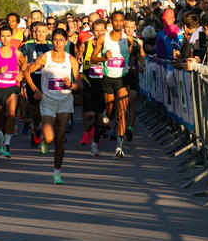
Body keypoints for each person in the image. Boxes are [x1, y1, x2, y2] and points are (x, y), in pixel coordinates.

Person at [23, 28, 82, 184]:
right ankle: (43, 138)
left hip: (65, 100)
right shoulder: (45, 58)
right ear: (52, 40)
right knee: (50, 137)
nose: (58, 43)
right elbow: (27, 72)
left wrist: (72, 85)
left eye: (61, 40)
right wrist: (36, 90)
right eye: (55, 40)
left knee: (60, 138)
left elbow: (80, 85)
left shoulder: (72, 60)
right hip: (48, 100)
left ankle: (57, 172)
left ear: (65, 42)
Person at [90, 10, 132, 159]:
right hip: (108, 78)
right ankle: (105, 116)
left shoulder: (128, 39)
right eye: (116, 20)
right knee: (111, 112)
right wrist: (103, 58)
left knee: (121, 112)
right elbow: (92, 59)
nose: (119, 23)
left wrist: (134, 65)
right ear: (111, 22)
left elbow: (132, 55)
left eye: (121, 20)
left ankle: (119, 148)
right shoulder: (103, 38)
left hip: (123, 78)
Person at [0, 24, 27, 159]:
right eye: (3, 36)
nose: (5, 39)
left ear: (11, 37)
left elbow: (24, 65)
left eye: (8, 36)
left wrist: (21, 74)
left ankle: (7, 144)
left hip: (12, 88)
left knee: (12, 114)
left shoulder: (17, 53)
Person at [19, 21, 52, 147]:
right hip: (32, 80)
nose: (41, 34)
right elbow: (20, 62)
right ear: (34, 32)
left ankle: (43, 133)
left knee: (46, 109)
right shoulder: (27, 45)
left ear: (47, 32)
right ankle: (36, 127)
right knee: (35, 110)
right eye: (38, 31)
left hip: (47, 81)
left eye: (43, 32)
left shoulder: (51, 45)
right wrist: (22, 77)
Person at [80, 18, 106, 156]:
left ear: (106, 31)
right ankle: (89, 131)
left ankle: (95, 144)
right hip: (88, 82)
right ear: (92, 31)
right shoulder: (85, 45)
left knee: (99, 116)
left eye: (102, 30)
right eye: (96, 30)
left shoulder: (108, 45)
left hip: (102, 83)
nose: (99, 32)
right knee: (89, 115)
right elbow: (78, 59)